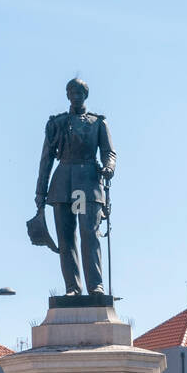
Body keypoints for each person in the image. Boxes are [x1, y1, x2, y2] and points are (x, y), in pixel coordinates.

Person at [35, 78, 116, 296]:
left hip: (86, 184)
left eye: (79, 92)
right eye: (72, 92)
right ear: (67, 95)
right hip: (62, 185)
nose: (75, 96)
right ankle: (72, 287)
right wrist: (40, 192)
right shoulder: (57, 124)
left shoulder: (98, 123)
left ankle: (95, 286)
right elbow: (46, 159)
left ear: (85, 95)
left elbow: (109, 152)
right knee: (66, 237)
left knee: (88, 233)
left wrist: (109, 167)